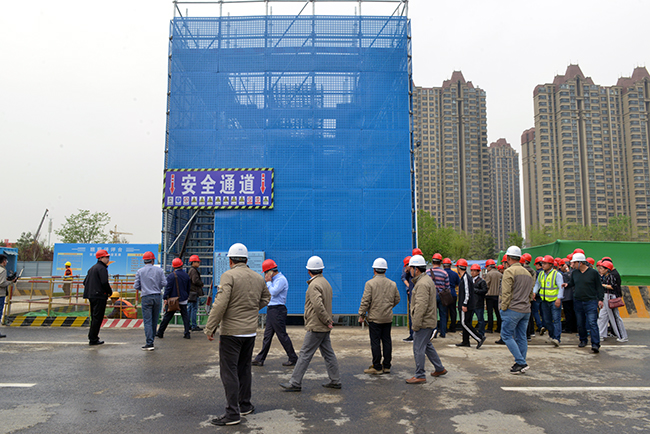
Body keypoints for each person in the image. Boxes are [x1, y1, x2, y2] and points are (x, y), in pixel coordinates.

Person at [205, 243, 270, 426]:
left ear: (230, 261)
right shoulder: (257, 277)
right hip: (250, 332)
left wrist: (210, 327)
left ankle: (232, 413)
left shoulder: (228, 276)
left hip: (231, 332)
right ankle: (245, 405)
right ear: (246, 259)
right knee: (244, 369)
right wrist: (251, 309)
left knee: (229, 371)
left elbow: (220, 303)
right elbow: (266, 298)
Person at [281, 256, 341, 392]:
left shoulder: (314, 285)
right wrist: (328, 320)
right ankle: (335, 380)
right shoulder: (326, 283)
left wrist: (327, 320)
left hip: (317, 325)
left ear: (309, 271)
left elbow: (318, 305)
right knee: (328, 354)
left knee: (304, 354)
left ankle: (295, 383)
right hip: (323, 325)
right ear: (322, 270)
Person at [404, 255, 446, 383]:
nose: (410, 270)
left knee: (418, 348)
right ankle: (439, 368)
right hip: (428, 321)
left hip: (423, 322)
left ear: (416, 269)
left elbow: (421, 306)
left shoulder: (422, 284)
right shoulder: (426, 280)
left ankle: (420, 375)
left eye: (411, 268)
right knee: (427, 345)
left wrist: (415, 324)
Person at [252, 259, 298, 367]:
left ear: (270, 272)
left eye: (266, 273)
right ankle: (260, 359)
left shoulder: (281, 279)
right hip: (272, 309)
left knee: (282, 335)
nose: (265, 275)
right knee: (267, 336)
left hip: (278, 310)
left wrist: (268, 282)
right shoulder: (274, 280)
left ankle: (293, 358)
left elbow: (272, 292)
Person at [358, 258, 400, 375]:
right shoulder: (392, 284)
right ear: (385, 270)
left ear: (374, 270)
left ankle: (377, 366)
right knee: (387, 341)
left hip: (375, 318)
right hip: (387, 317)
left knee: (375, 342)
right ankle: (386, 366)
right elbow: (397, 299)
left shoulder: (370, 284)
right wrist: (388, 307)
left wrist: (362, 314)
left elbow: (365, 301)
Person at [499, 246, 535, 374]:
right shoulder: (528, 273)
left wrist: (503, 308)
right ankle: (521, 362)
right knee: (521, 337)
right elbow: (530, 293)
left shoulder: (509, 272)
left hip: (513, 309)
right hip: (525, 309)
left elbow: (506, 292)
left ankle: (521, 362)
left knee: (506, 335)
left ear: (508, 258)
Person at [563, 252, 605, 353]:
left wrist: (600, 299)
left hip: (590, 301)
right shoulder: (575, 273)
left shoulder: (593, 273)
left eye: (574, 263)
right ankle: (583, 340)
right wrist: (567, 285)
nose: (572, 265)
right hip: (578, 301)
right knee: (580, 323)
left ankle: (595, 344)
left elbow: (599, 287)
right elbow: (572, 283)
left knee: (592, 322)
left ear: (580, 263)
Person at [134, 251, 166, 351]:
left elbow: (136, 286)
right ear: (153, 260)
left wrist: (144, 288)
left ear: (144, 261)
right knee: (154, 320)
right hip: (157, 296)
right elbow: (164, 283)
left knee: (147, 321)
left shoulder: (140, 271)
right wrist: (157, 287)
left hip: (146, 296)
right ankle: (151, 340)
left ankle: (149, 343)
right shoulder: (159, 270)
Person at [83, 250, 113, 345]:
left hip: (91, 295)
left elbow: (84, 282)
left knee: (94, 317)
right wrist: (109, 292)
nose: (108, 259)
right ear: (100, 258)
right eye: (106, 257)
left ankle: (92, 337)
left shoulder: (92, 268)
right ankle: (93, 338)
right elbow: (104, 282)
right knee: (98, 318)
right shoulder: (102, 268)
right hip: (99, 296)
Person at [156, 258, 191, 340]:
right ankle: (187, 333)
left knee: (167, 316)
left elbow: (168, 288)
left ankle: (160, 332)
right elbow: (188, 287)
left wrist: (165, 297)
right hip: (183, 299)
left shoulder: (171, 276)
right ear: (181, 265)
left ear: (173, 266)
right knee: (185, 316)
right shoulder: (186, 275)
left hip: (173, 300)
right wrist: (186, 296)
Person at [533, 255, 564, 347]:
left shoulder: (556, 274)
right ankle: (552, 335)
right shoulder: (541, 274)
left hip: (554, 300)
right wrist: (534, 292)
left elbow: (561, 287)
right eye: (542, 263)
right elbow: (537, 284)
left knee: (556, 319)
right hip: (545, 300)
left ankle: (557, 338)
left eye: (545, 263)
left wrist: (559, 298)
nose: (543, 265)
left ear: (551, 264)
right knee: (547, 320)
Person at [455, 259, 485, 349]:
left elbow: (467, 292)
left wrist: (464, 304)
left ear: (458, 268)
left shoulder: (465, 278)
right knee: (465, 322)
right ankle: (465, 341)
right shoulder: (466, 277)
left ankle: (479, 338)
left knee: (464, 323)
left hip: (466, 305)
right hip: (467, 304)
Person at [597, 261, 628, 343]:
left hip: (610, 297)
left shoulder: (611, 276)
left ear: (607, 269)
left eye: (602, 268)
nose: (600, 270)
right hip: (606, 296)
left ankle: (623, 336)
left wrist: (602, 285)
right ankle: (600, 334)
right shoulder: (606, 276)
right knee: (602, 316)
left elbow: (613, 286)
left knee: (614, 317)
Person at [429, 253, 450, 339]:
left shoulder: (428, 272)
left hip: (432, 296)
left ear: (432, 262)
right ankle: (443, 333)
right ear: (440, 263)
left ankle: (434, 332)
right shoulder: (444, 273)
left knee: (433, 315)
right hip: (442, 296)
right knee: (443, 314)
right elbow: (447, 287)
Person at [0, 254, 18, 338]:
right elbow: (2, 283)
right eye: (6, 261)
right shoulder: (3, 270)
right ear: (4, 261)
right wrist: (11, 281)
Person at [483, 259, 501, 334]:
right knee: (498, 313)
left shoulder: (489, 274)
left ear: (489, 267)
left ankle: (490, 328)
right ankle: (499, 328)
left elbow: (486, 285)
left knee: (490, 313)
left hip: (490, 296)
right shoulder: (500, 274)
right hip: (498, 296)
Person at [442, 258, 459, 333]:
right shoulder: (455, 274)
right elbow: (458, 283)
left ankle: (444, 328)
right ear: (450, 265)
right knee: (453, 311)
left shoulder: (442, 273)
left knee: (444, 312)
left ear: (443, 265)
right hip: (453, 294)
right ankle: (453, 328)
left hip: (444, 295)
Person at [470, 263, 487, 338]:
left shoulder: (481, 281)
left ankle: (481, 333)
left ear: (478, 272)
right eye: (472, 271)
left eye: (474, 271)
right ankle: (470, 333)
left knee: (480, 320)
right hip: (471, 303)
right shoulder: (470, 280)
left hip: (478, 304)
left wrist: (474, 290)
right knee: (469, 320)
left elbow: (484, 291)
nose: (472, 272)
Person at [187, 255, 204, 332]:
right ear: (193, 262)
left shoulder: (191, 270)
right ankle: (194, 325)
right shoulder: (193, 271)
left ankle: (188, 325)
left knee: (190, 309)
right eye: (197, 262)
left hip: (191, 292)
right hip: (194, 292)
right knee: (193, 309)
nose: (199, 263)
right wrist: (201, 283)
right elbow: (195, 281)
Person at [401, 255, 414, 342]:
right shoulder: (410, 273)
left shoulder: (414, 275)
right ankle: (412, 335)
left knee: (413, 315)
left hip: (414, 296)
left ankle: (413, 335)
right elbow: (403, 277)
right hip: (412, 294)